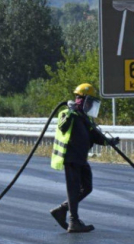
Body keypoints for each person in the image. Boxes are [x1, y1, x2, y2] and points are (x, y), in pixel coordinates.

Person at [50, 83, 119, 233]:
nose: (90, 105)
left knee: (87, 187)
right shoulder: (67, 113)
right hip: (71, 158)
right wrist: (70, 111)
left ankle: (62, 210)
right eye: (88, 101)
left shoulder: (84, 118)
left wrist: (109, 142)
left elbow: (95, 136)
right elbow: (62, 126)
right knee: (74, 189)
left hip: (81, 159)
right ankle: (73, 221)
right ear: (82, 99)